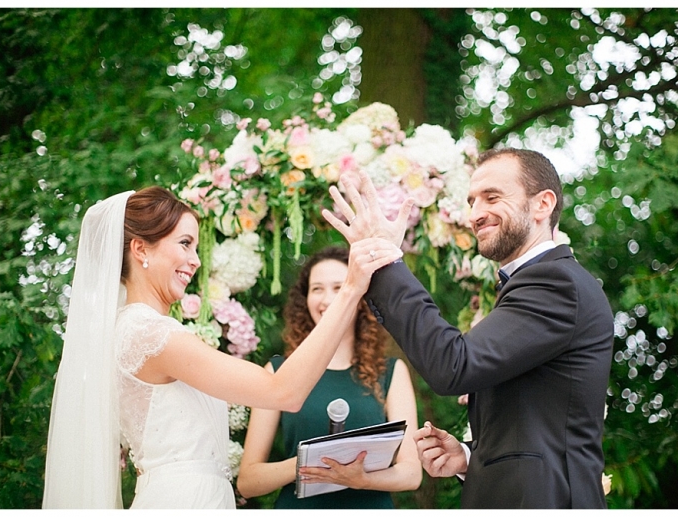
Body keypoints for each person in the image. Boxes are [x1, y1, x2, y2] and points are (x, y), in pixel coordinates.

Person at [42, 186, 402, 509]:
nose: (196, 260)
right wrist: (352, 288)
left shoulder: (141, 329)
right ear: (141, 250)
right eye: (184, 243)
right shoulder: (147, 333)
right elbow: (284, 392)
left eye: (196, 247)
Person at [322, 148, 614, 509]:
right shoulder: (535, 284)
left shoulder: (556, 282)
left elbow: (454, 365)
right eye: (472, 201)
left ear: (543, 205)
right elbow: (535, 424)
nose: (475, 214)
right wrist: (470, 455)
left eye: (492, 197)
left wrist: (383, 260)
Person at [236, 246, 422, 508]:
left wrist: (362, 479)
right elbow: (247, 481)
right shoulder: (278, 371)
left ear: (359, 298)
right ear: (306, 300)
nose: (327, 299)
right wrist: (305, 462)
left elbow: (412, 474)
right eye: (317, 289)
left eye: (340, 287)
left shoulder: (392, 372)